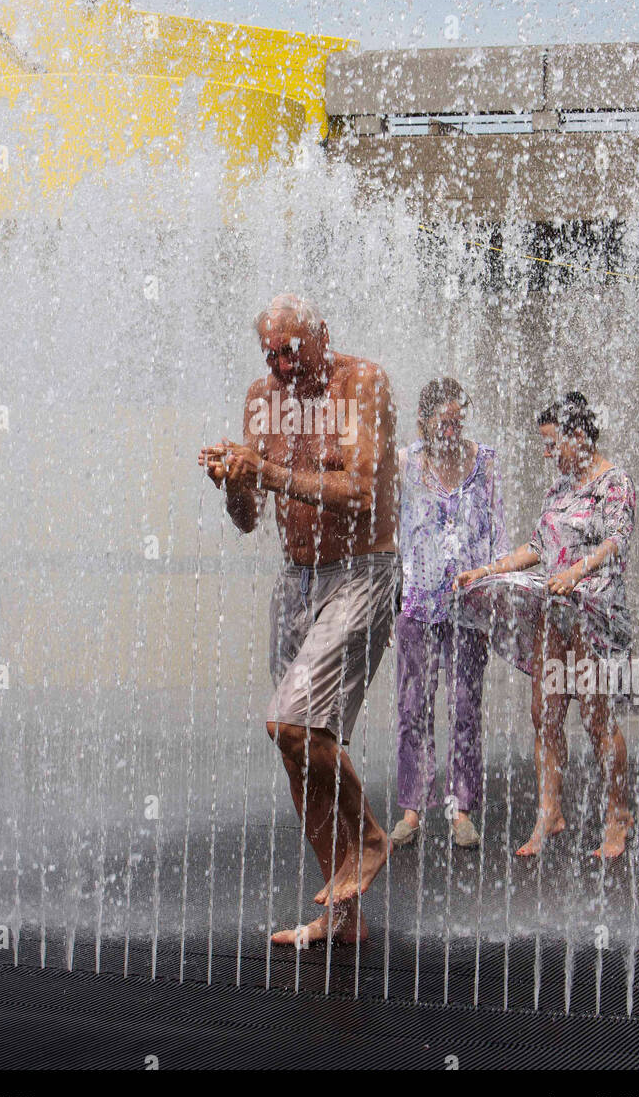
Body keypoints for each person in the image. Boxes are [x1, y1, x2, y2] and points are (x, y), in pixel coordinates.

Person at [198, 293, 400, 948]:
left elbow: (363, 492)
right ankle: (343, 915)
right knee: (297, 752)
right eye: (271, 355)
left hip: (362, 572)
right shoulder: (264, 398)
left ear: (321, 337)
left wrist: (268, 470)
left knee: (292, 722)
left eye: (291, 350)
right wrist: (235, 480)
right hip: (295, 581)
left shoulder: (362, 382)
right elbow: (247, 516)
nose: (282, 366)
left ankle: (371, 837)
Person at [454, 392, 636, 859]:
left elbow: (616, 541)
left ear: (579, 437)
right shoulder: (558, 488)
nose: (547, 454)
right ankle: (549, 814)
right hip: (554, 612)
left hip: (592, 616)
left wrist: (577, 571)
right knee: (545, 714)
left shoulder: (613, 483)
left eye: (553, 444)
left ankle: (619, 817)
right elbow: (537, 545)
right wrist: (488, 570)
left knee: (597, 719)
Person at [392, 379, 509, 849]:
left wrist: (494, 587)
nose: (452, 428)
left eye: (458, 419)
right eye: (444, 421)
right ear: (424, 422)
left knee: (464, 707)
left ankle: (461, 810)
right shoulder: (405, 463)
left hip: (470, 603)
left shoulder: (485, 463)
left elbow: (497, 530)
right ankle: (411, 810)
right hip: (417, 601)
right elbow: (392, 529)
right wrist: (389, 599)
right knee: (412, 707)